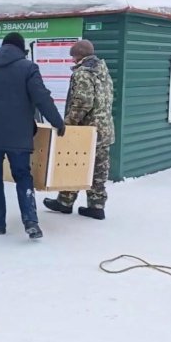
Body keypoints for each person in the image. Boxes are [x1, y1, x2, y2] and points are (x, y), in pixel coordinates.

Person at [0, 33, 65, 239]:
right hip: (18, 135)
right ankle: (31, 222)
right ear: (21, 48)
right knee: (23, 176)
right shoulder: (28, 68)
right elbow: (41, 98)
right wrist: (57, 122)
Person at [43, 40, 115, 220]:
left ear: (78, 56)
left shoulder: (83, 73)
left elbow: (83, 102)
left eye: (73, 56)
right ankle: (97, 206)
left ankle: (65, 202)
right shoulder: (102, 70)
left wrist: (66, 124)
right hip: (104, 129)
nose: (72, 60)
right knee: (99, 169)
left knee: (73, 163)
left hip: (86, 131)